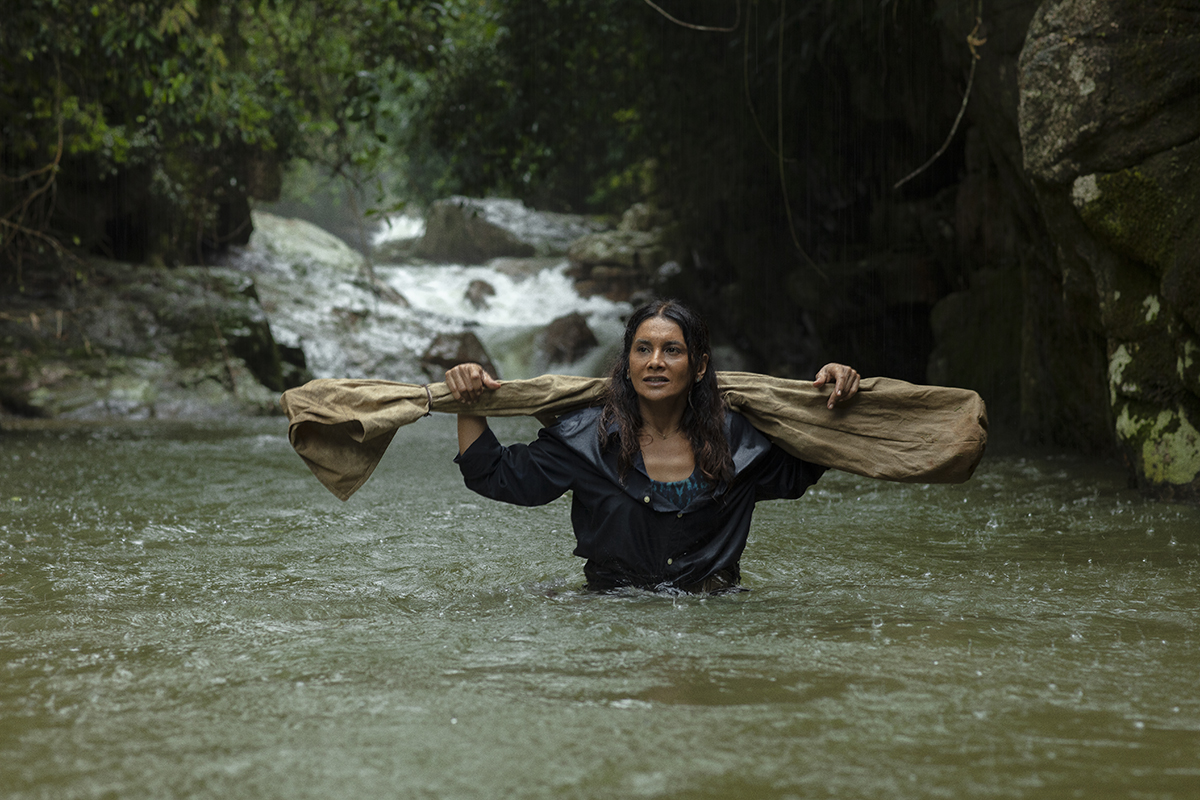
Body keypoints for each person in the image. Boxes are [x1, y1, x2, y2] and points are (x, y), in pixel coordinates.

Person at [446, 299, 860, 594]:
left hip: (719, 619)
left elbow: (812, 455)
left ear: (699, 366)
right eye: (643, 349)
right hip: (615, 619)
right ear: (627, 362)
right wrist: (470, 400)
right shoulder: (585, 439)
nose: (655, 361)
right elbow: (491, 473)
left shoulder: (741, 441)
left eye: (672, 350)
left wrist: (832, 393)